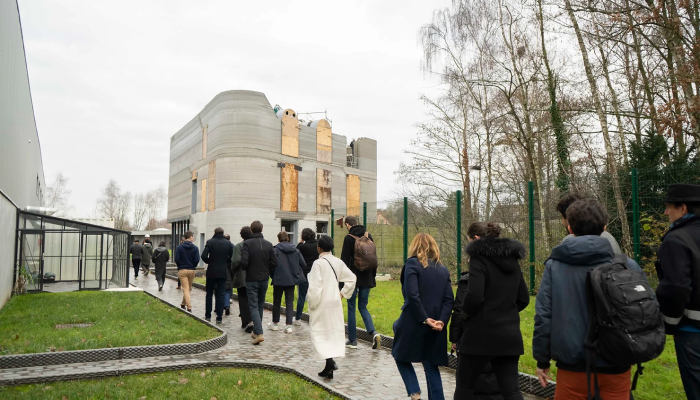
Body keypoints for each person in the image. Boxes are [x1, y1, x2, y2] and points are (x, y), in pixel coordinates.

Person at [534, 199, 643, 399]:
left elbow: (543, 315)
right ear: (604, 227)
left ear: (569, 227)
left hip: (572, 366)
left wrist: (542, 361)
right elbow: (644, 310)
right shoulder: (627, 264)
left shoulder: (554, 266)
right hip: (617, 363)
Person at [452, 222, 529, 400]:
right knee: (511, 390)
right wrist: (505, 313)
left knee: (464, 387)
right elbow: (523, 298)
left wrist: (465, 316)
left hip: (479, 336)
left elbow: (475, 296)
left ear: (476, 239)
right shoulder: (513, 259)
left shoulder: (478, 258)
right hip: (509, 336)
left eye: (469, 240)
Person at [392, 233, 454, 400]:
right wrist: (441, 320)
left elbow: (412, 295)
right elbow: (449, 299)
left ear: (415, 247)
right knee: (431, 365)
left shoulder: (412, 264)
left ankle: (414, 392)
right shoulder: (443, 269)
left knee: (399, 354)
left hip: (415, 320)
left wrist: (425, 319)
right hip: (437, 325)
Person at [655, 184, 700, 399]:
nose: (665, 212)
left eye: (668, 207)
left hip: (693, 331)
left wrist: (669, 324)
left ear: (683, 208)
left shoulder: (677, 239)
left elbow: (676, 287)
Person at [307, 235, 357, 379]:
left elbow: (315, 287)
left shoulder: (318, 263)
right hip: (334, 303)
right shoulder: (338, 262)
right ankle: (329, 364)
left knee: (318, 333)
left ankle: (330, 362)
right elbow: (352, 278)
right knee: (330, 333)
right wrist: (342, 293)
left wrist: (312, 303)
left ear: (319, 248)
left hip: (321, 303)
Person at [341, 215, 381, 349]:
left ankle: (352, 340)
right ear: (357, 223)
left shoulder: (348, 239)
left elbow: (344, 263)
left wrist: (342, 284)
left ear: (348, 225)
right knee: (363, 307)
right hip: (367, 276)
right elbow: (373, 259)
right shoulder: (368, 236)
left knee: (351, 307)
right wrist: (373, 277)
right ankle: (373, 333)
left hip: (352, 278)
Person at [241, 220, 278, 345]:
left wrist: (247, 267)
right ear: (262, 230)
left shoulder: (247, 244)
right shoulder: (269, 244)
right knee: (260, 305)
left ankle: (259, 332)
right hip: (264, 278)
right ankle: (257, 331)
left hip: (251, 278)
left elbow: (244, 262)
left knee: (253, 306)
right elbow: (275, 262)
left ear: (251, 230)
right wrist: (266, 268)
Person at [557, 193, 621, 254]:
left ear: (569, 218)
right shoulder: (609, 239)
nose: (562, 223)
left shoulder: (568, 242)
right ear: (604, 227)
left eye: (562, 218)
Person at [270, 231, 307, 333]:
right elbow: (303, 264)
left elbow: (271, 264)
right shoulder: (296, 250)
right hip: (291, 279)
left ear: (278, 239)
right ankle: (288, 325)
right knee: (289, 302)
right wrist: (296, 273)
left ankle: (275, 323)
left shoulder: (275, 250)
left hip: (278, 279)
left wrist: (273, 275)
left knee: (276, 301)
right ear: (287, 239)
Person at [201, 227, 233, 325]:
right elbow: (231, 257)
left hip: (211, 271)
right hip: (223, 272)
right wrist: (225, 263)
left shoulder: (210, 242)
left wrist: (210, 262)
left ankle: (208, 315)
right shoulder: (228, 244)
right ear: (223, 233)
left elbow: (203, 256)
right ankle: (219, 317)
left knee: (209, 293)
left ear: (214, 233)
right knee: (220, 294)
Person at [232, 226, 254, 332]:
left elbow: (235, 261)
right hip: (256, 276)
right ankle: (252, 321)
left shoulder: (239, 246)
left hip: (242, 277)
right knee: (253, 300)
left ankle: (247, 321)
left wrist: (233, 270)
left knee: (243, 300)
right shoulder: (256, 245)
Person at [295, 228, 318, 325]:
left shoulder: (303, 247)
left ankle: (298, 319)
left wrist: (300, 242)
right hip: (316, 274)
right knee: (316, 296)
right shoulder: (318, 245)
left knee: (301, 296)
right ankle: (315, 318)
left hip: (304, 274)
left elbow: (295, 251)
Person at [175, 231, 199, 312]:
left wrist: (180, 266)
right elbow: (197, 260)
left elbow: (177, 259)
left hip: (182, 270)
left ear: (184, 238)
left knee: (186, 288)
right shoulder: (195, 248)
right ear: (191, 237)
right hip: (191, 270)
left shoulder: (179, 248)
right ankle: (188, 306)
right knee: (188, 288)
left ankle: (185, 304)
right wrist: (193, 266)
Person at [223, 234, 234, 316]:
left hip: (221, 267)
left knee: (221, 288)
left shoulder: (220, 246)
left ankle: (221, 306)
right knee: (229, 285)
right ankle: (229, 299)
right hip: (230, 268)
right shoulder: (232, 246)